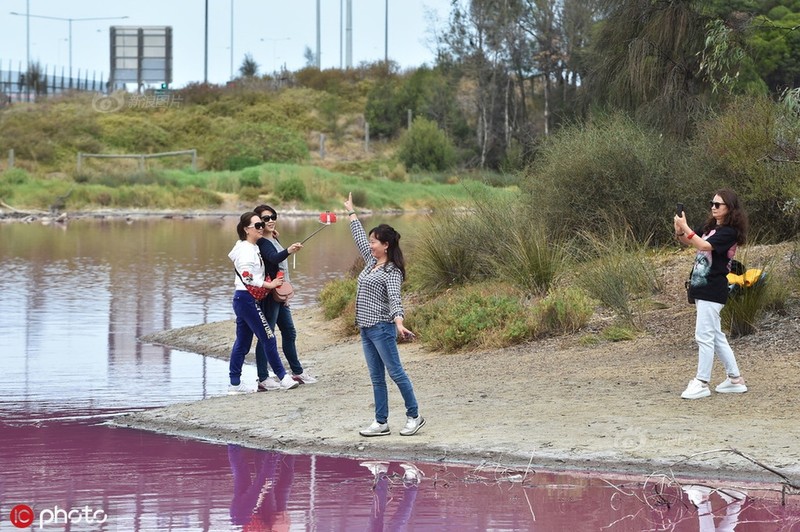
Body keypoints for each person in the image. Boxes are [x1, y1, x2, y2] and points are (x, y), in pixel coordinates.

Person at [343, 192, 425, 437]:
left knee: (396, 373)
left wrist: (399, 323)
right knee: (376, 377)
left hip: (382, 328)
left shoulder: (392, 271)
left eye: (374, 242)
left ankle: (414, 416)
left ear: (386, 245)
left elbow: (395, 299)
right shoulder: (370, 262)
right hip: (366, 329)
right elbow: (358, 239)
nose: (370, 245)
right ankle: (381, 422)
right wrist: (351, 211)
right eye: (370, 241)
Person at [674, 189, 748, 399]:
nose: (713, 208)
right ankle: (735, 379)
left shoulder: (729, 232)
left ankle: (702, 382)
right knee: (715, 336)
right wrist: (680, 228)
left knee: (704, 336)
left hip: (713, 288)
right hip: (701, 286)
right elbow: (690, 240)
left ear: (729, 209)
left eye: (718, 204)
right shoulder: (711, 227)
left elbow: (704, 245)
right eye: (712, 203)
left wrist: (686, 228)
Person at [227, 212, 299, 393]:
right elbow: (247, 276)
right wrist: (270, 284)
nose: (261, 227)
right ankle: (284, 378)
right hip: (246, 299)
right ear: (246, 229)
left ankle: (235, 383)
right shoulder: (245, 250)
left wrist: (273, 237)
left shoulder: (251, 246)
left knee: (243, 343)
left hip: (245, 299)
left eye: (261, 225)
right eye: (257, 225)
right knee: (268, 336)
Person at [253, 204, 317, 387]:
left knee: (289, 331)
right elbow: (273, 258)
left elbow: (278, 261)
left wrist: (286, 295)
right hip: (269, 294)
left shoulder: (272, 239)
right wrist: (288, 250)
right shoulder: (261, 243)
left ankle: (297, 372)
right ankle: (263, 378)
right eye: (266, 218)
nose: (271, 220)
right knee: (267, 334)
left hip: (280, 295)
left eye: (273, 216)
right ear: (258, 222)